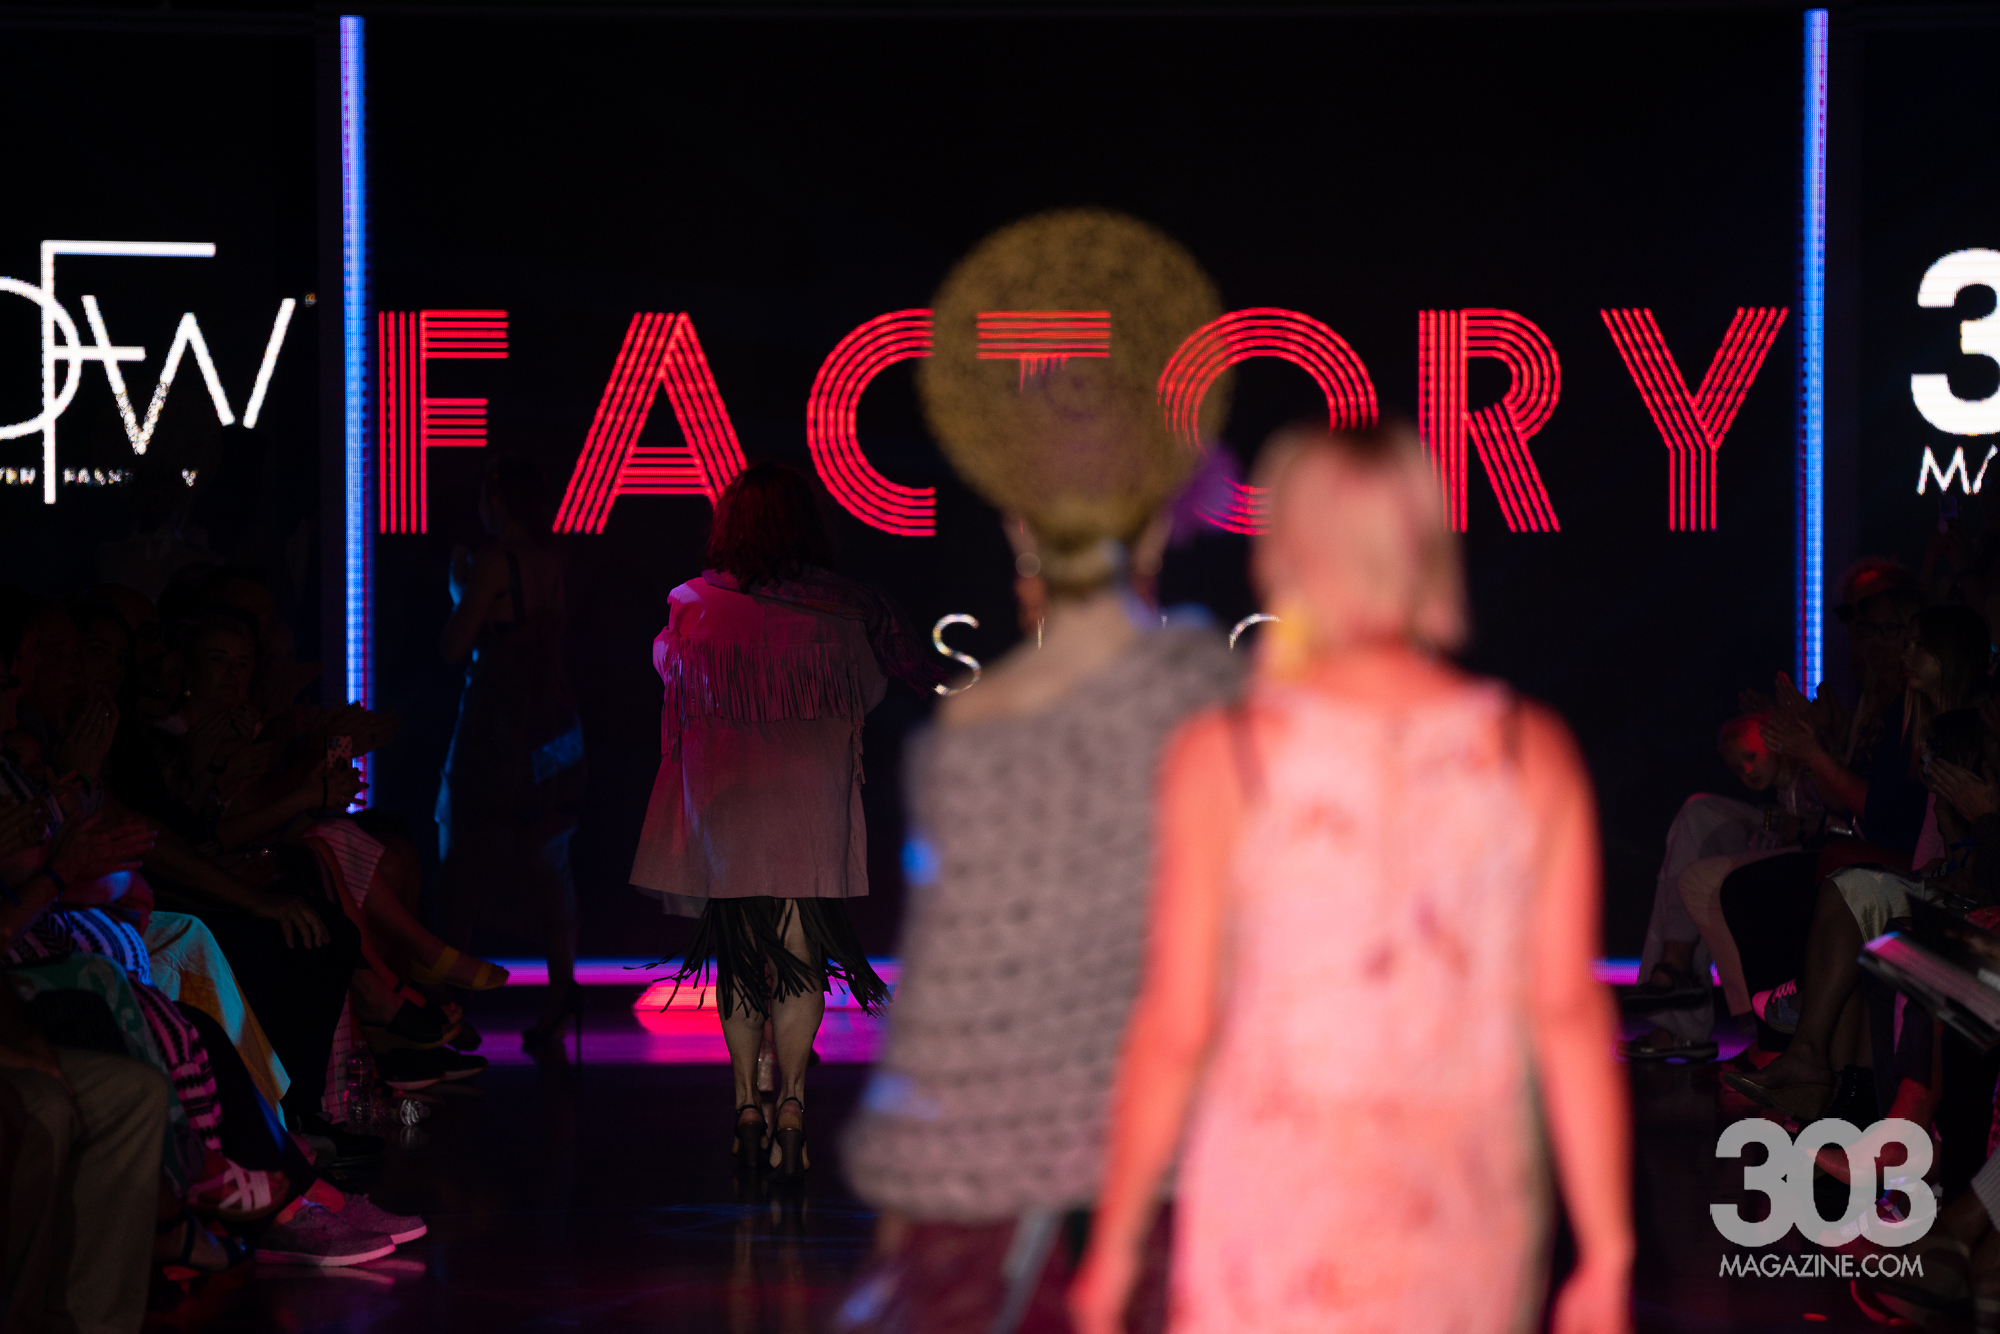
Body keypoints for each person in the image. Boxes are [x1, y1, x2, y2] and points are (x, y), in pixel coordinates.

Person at [1071, 424, 1632, 1334]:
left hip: (1275, 1207)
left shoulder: (1224, 758)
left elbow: (1177, 1023)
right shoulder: (1531, 752)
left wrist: (1115, 1247)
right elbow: (1567, 1013)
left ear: (1288, 551)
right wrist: (1607, 1253)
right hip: (1461, 1208)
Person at [837, 206, 1238, 1332]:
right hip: (1190, 1160)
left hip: (1020, 1163)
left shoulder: (985, 727)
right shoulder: (1220, 700)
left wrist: (909, 1213)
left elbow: (951, 1000)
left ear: (1022, 526)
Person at [630, 462, 940, 1177]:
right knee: (802, 959)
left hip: (728, 802)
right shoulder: (849, 610)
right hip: (809, 801)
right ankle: (793, 1108)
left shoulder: (694, 605)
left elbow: (671, 678)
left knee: (741, 960)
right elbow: (869, 693)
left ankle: (747, 1105)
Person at [438, 455, 586, 1046]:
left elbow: (454, 646)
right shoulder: (552, 561)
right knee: (551, 865)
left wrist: (460, 589)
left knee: (462, 865)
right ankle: (561, 992)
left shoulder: (496, 562)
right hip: (554, 726)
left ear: (496, 502)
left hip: (497, 729)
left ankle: (449, 1005)